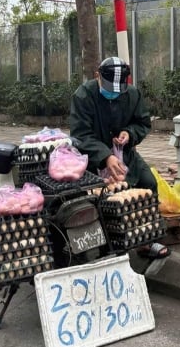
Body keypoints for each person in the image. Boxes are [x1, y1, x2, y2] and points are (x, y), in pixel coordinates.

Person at [69, 56, 170, 259]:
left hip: (125, 154)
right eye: (108, 87)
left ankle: (146, 241)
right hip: (93, 159)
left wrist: (129, 134)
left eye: (118, 89)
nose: (113, 93)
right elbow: (80, 135)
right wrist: (105, 156)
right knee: (100, 198)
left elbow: (142, 123)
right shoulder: (83, 96)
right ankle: (106, 246)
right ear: (97, 75)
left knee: (148, 183)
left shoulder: (132, 94)